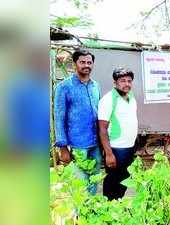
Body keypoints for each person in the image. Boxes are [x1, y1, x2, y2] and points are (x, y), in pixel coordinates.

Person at [54, 49, 102, 195]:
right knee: (81, 187)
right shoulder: (64, 87)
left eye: (89, 62)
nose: (86, 65)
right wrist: (63, 148)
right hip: (77, 146)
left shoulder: (95, 86)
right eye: (82, 62)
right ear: (75, 64)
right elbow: (59, 117)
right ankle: (80, 215)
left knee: (94, 182)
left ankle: (90, 213)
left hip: (96, 144)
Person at [98, 68, 138, 200]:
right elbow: (102, 129)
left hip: (129, 147)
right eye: (122, 81)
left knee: (125, 178)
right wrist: (109, 154)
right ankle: (109, 207)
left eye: (129, 81)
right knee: (113, 181)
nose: (126, 84)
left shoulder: (131, 97)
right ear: (115, 83)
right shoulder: (108, 100)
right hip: (116, 149)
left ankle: (118, 205)